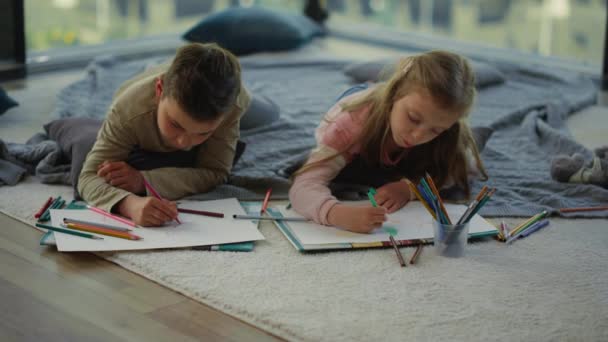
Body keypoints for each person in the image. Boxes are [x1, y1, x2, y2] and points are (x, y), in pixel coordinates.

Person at [289, 50, 487, 233]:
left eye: (436, 130)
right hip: (361, 107)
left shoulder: (448, 128)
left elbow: (462, 170)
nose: (417, 136)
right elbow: (304, 185)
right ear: (395, 93)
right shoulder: (349, 124)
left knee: (474, 144)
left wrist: (410, 189)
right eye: (413, 118)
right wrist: (335, 213)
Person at [78, 42, 250, 227]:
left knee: (268, 114)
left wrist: (142, 180)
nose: (184, 143)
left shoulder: (234, 107)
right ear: (159, 91)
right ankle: (154, 65)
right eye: (175, 124)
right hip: (144, 87)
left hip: (239, 97)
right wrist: (129, 205)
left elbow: (216, 172)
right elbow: (88, 178)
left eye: (203, 133)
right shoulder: (126, 112)